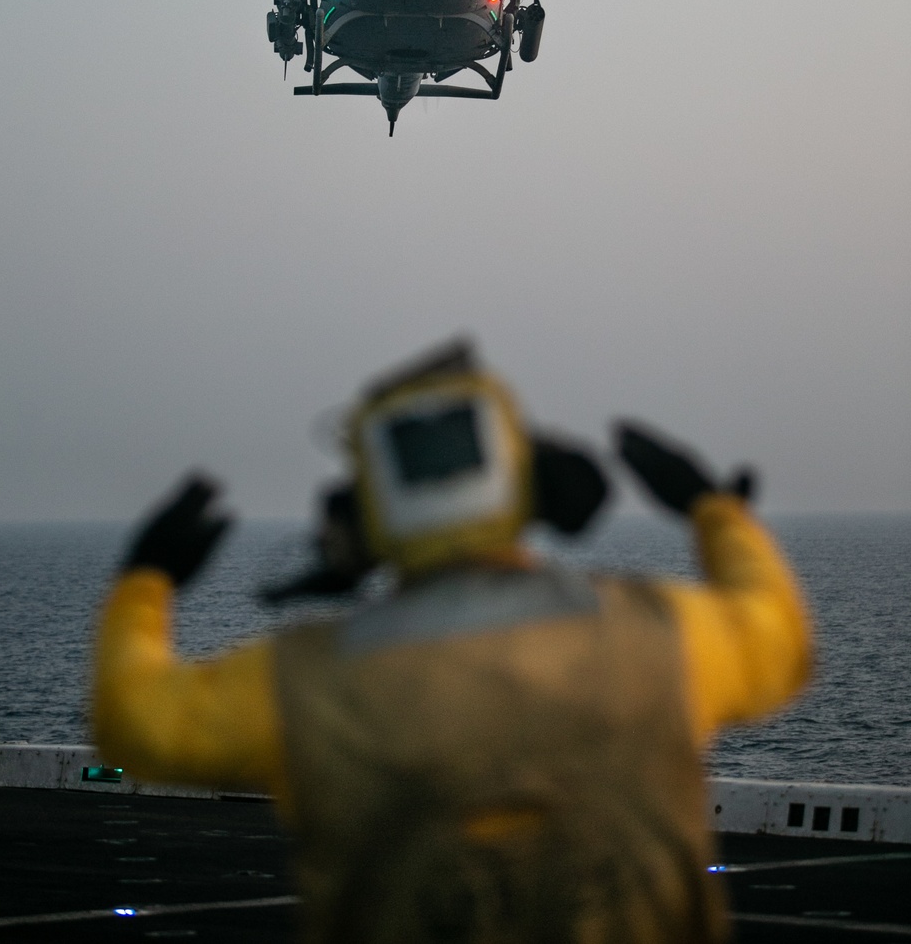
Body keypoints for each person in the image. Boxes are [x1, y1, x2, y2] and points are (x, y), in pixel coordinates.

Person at [93, 342, 812, 944]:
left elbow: (135, 720)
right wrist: (716, 512)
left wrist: (147, 580)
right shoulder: (659, 634)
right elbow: (776, 631)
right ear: (522, 474)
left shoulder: (304, 681)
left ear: (367, 501)